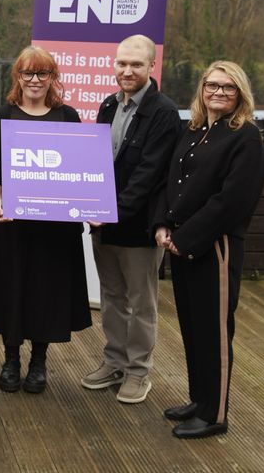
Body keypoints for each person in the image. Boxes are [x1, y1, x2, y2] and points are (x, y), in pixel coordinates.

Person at [0, 46, 91, 395]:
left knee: (44, 291)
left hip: (53, 230)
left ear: (53, 78)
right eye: (27, 73)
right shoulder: (1, 117)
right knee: (12, 288)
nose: (35, 80)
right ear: (17, 77)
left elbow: (80, 170)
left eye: (42, 73)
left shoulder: (68, 117)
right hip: (9, 224)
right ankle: (10, 358)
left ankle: (38, 360)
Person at [153, 61, 264, 439]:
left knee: (214, 332)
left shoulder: (245, 137)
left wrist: (186, 240)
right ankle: (199, 400)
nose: (218, 93)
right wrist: (164, 224)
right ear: (202, 90)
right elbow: (170, 182)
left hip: (213, 246)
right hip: (182, 243)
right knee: (193, 328)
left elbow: (232, 202)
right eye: (212, 86)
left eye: (228, 87)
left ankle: (215, 413)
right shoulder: (194, 130)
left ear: (240, 94)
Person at [81, 35, 181, 403]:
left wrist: (110, 211)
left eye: (136, 64)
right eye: (121, 63)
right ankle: (115, 361)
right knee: (111, 296)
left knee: (141, 302)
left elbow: (150, 174)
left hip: (137, 226)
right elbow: (94, 163)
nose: (127, 70)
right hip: (103, 225)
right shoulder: (108, 105)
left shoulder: (164, 112)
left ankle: (139, 372)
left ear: (151, 66)